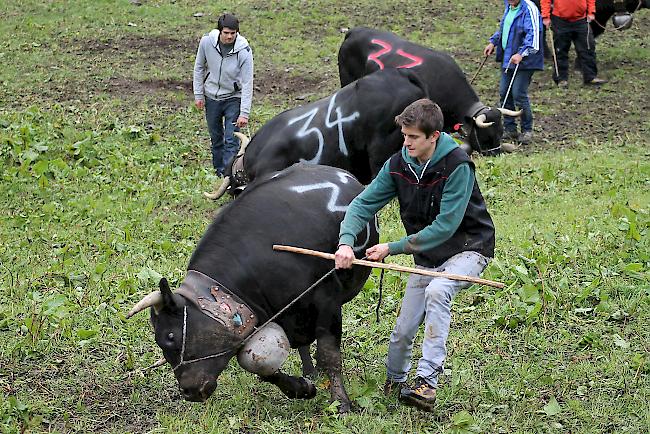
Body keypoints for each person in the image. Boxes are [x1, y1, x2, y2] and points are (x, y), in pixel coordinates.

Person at [334, 99, 495, 412]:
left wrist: (391, 248)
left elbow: (446, 225)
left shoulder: (457, 165)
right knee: (403, 329)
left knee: (439, 290)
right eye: (404, 136)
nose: (405, 142)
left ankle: (427, 382)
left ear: (433, 136)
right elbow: (362, 204)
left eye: (412, 137)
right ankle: (395, 381)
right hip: (428, 257)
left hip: (468, 248)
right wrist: (345, 242)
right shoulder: (399, 163)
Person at [193, 13, 253, 176]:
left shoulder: (244, 51)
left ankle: (229, 174)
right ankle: (218, 171)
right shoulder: (206, 42)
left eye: (233, 33)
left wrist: (244, 113)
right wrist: (198, 94)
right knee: (216, 138)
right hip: (211, 96)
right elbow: (199, 67)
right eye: (226, 33)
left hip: (233, 97)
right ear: (219, 31)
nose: (229, 36)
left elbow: (248, 82)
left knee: (231, 139)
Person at [484, 0, 543, 146]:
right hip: (509, 58)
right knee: (505, 92)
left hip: (525, 61)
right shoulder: (509, 6)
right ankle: (510, 128)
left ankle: (527, 129)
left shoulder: (529, 8)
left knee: (518, 94)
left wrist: (521, 53)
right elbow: (506, 29)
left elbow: (534, 36)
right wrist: (493, 42)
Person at [541, 0, 608, 87]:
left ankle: (590, 77)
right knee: (560, 50)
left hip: (581, 20)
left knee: (588, 48)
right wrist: (546, 16)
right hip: (560, 21)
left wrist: (591, 11)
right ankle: (561, 79)